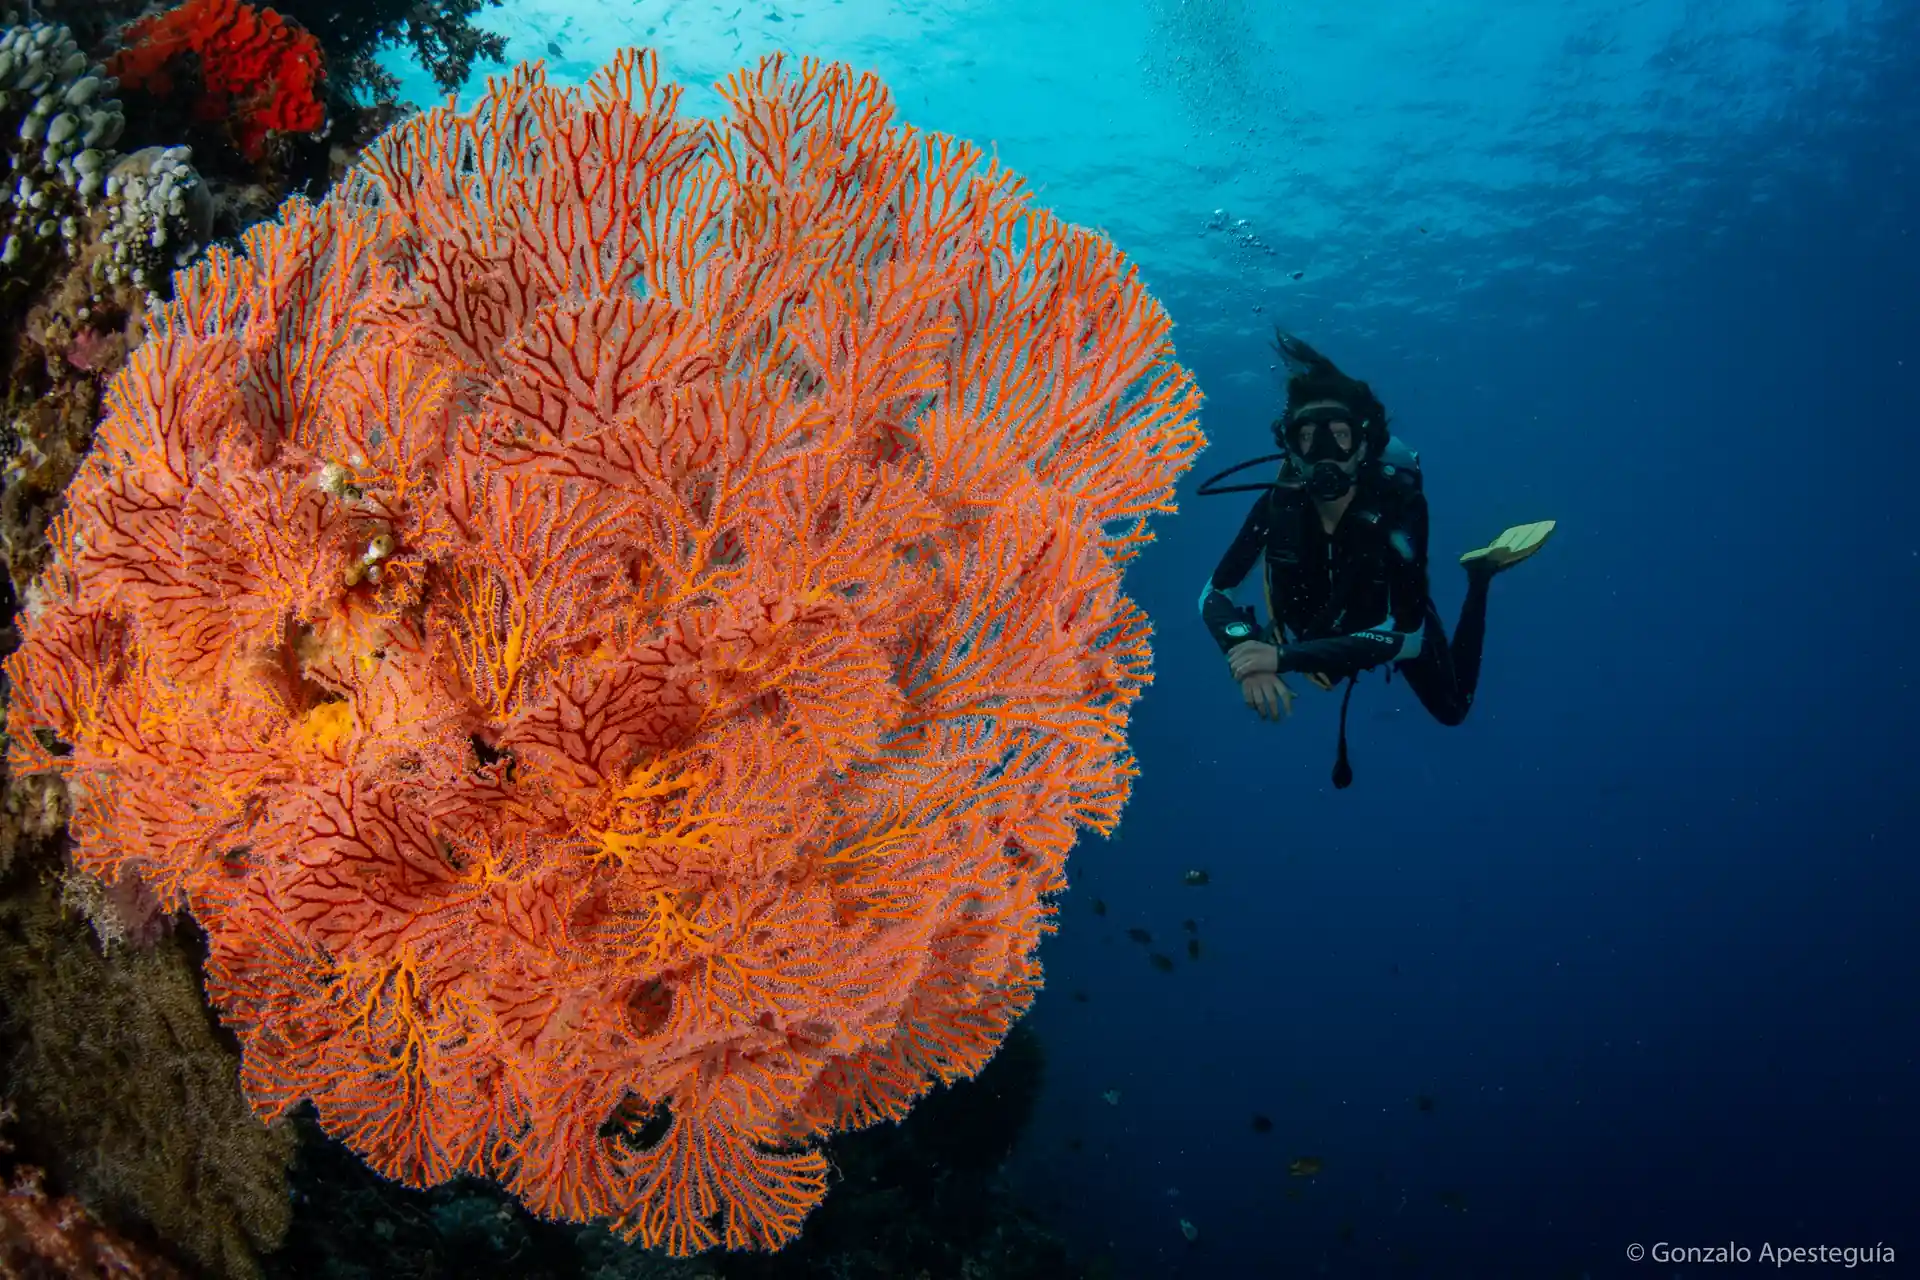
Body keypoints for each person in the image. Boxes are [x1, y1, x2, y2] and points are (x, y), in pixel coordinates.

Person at [1195, 331, 1555, 787]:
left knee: (1453, 709)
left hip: (1382, 625)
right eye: (1307, 438)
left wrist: (1278, 658)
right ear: (1290, 450)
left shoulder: (1398, 506)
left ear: (1363, 446)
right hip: (1300, 635)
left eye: (1339, 437)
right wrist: (1242, 654)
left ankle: (1480, 574)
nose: (1324, 453)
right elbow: (1215, 592)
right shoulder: (1278, 507)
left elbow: (1405, 637)